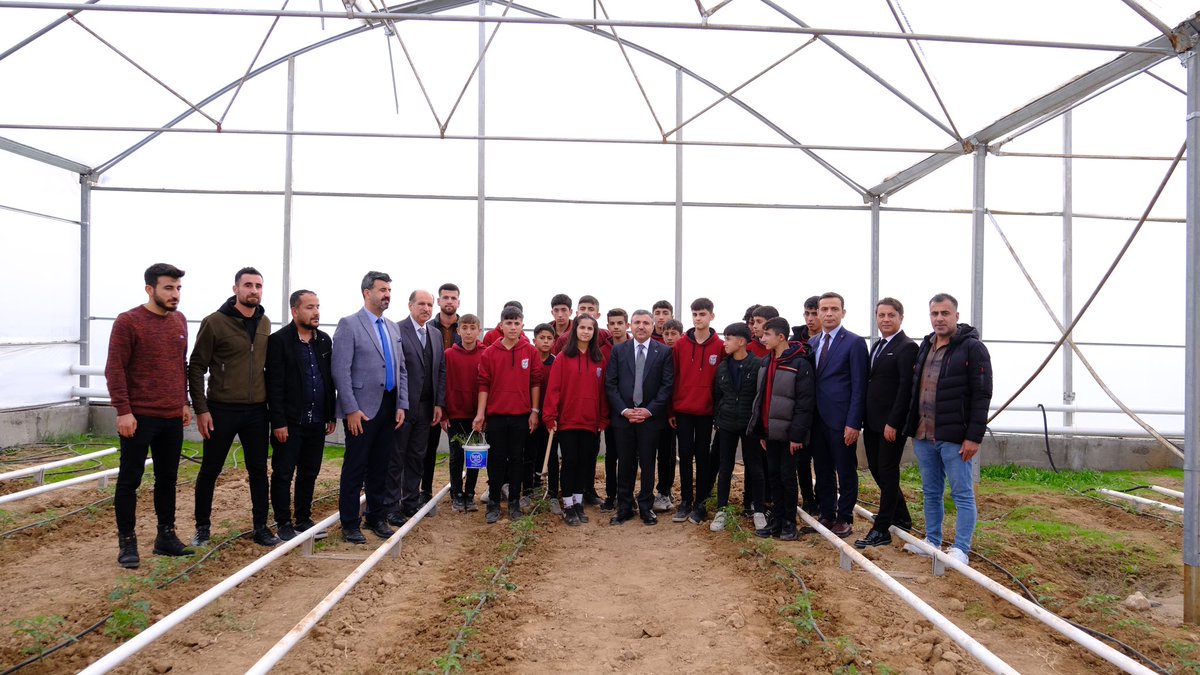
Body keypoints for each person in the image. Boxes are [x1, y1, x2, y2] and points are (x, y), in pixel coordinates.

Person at [107, 263, 194, 568]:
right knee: (130, 480)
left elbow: (179, 365)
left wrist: (183, 402)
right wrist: (123, 411)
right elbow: (115, 369)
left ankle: (165, 537)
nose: (175, 294)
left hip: (171, 416)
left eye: (178, 288)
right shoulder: (128, 322)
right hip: (139, 417)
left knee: (168, 479)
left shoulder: (179, 321)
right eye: (168, 288)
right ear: (150, 289)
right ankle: (127, 543)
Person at [188, 267, 278, 547]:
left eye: (258, 286)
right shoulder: (215, 322)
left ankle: (261, 526)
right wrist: (201, 410)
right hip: (221, 409)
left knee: (258, 470)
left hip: (256, 411)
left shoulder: (265, 323)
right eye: (248, 285)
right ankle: (202, 527)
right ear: (235, 289)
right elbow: (196, 366)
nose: (254, 290)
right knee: (210, 469)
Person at [901, 293, 993, 566]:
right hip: (924, 433)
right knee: (930, 491)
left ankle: (961, 548)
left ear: (956, 316)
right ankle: (932, 540)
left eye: (945, 313)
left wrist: (973, 437)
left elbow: (982, 394)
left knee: (961, 492)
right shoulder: (925, 345)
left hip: (954, 437)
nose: (939, 318)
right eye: (934, 314)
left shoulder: (972, 349)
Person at [331, 271, 409, 543]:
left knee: (381, 466)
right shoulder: (349, 325)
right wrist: (351, 409)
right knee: (355, 467)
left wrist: (402, 404)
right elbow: (341, 371)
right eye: (382, 290)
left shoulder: (392, 327)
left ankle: (376, 517)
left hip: (388, 407)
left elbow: (400, 369)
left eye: (389, 290)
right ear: (367, 292)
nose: (387, 294)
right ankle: (350, 523)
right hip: (362, 411)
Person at [266, 289, 336, 542]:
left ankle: (304, 519)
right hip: (291, 422)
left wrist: (330, 414)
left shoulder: (324, 341)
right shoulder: (279, 341)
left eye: (317, 306)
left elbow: (329, 380)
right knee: (284, 472)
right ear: (295, 311)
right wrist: (279, 422)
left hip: (317, 420)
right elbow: (274, 385)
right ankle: (283, 522)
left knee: (310, 471)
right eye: (309, 307)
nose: (316, 311)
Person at [855, 297, 917, 549]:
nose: (886, 320)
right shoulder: (878, 345)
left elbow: (905, 389)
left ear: (900, 318)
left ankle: (882, 528)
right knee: (879, 471)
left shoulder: (907, 347)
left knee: (888, 472)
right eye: (881, 315)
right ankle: (901, 517)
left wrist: (894, 422)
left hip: (890, 424)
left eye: (891, 315)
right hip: (872, 422)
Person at [474, 306, 544, 523]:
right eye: (509, 323)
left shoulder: (530, 351)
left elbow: (535, 382)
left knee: (517, 460)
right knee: (496, 460)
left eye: (517, 323)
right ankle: (494, 502)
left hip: (521, 416)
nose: (513, 327)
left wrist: (534, 411)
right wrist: (480, 414)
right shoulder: (490, 352)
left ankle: (514, 502)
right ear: (501, 325)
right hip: (496, 416)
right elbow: (483, 384)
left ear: (522, 325)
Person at [807, 292, 868, 539]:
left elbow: (859, 385)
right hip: (817, 418)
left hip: (842, 419)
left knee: (845, 469)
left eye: (834, 309)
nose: (828, 314)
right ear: (818, 312)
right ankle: (827, 513)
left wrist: (854, 422)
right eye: (824, 309)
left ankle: (844, 517)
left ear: (843, 312)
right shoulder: (812, 344)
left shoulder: (853, 343)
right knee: (821, 469)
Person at [748, 317, 815, 541]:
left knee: (788, 477)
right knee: (774, 476)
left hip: (789, 436)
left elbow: (804, 403)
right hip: (771, 433)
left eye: (767, 335)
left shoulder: (800, 364)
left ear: (781, 337)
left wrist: (797, 435)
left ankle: (789, 522)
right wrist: (762, 431)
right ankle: (776, 521)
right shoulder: (766, 362)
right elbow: (762, 399)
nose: (762, 338)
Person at [605, 309, 674, 525]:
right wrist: (625, 411)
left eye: (645, 322)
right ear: (630, 326)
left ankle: (646, 506)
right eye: (637, 322)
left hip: (650, 419)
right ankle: (624, 507)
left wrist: (649, 410)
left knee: (647, 463)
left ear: (653, 326)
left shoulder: (663, 352)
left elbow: (666, 386)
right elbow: (611, 384)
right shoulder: (619, 351)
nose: (641, 326)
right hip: (624, 418)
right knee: (625, 463)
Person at [543, 314, 610, 526]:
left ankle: (579, 502)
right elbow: (554, 389)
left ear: (594, 332)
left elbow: (602, 393)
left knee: (584, 463)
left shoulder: (600, 360)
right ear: (575, 330)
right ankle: (568, 505)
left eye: (590, 329)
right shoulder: (563, 357)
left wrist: (602, 418)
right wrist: (550, 416)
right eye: (582, 327)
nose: (586, 332)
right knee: (570, 462)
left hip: (590, 422)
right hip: (568, 421)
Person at [387, 290, 446, 524]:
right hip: (403, 406)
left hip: (426, 407)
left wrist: (439, 403)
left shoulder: (435, 334)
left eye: (430, 304)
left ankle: (410, 501)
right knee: (396, 457)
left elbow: (440, 370)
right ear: (410, 305)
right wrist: (398, 403)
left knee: (416, 456)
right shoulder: (396, 330)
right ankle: (391, 505)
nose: (426, 308)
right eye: (421, 304)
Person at [704, 323, 763, 532]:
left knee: (754, 467)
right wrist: (719, 420)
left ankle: (759, 510)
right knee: (725, 466)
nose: (725, 342)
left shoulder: (758, 365)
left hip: (750, 426)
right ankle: (722, 509)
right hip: (727, 424)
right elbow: (717, 395)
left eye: (728, 339)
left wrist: (758, 424)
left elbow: (760, 397)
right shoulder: (722, 366)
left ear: (741, 342)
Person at [671, 298, 724, 525]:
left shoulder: (720, 346)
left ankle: (701, 502)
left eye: (702, 314)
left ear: (711, 316)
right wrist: (670, 409)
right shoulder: (680, 345)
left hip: (706, 411)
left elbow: (722, 382)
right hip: (682, 410)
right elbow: (673, 377)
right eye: (694, 314)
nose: (698, 318)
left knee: (703, 456)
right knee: (684, 455)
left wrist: (718, 412)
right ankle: (685, 500)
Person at [443, 314, 483, 512]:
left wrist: (485, 414)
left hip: (477, 416)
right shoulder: (449, 354)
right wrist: (443, 413)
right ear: (458, 331)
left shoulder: (486, 353)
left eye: (472, 328)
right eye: (464, 328)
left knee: (474, 456)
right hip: (455, 414)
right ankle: (456, 494)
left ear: (479, 330)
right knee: (456, 456)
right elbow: (442, 383)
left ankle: (470, 493)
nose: (468, 332)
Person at [525, 323, 558, 511]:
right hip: (530, 416)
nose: (545, 341)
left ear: (554, 341)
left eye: (549, 338)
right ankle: (529, 491)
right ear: (534, 340)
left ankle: (553, 493)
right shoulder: (528, 360)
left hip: (550, 419)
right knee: (529, 454)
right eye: (542, 338)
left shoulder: (557, 362)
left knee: (551, 456)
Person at [653, 318, 684, 512]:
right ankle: (654, 491)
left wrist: (673, 410)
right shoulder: (658, 353)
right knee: (649, 455)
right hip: (655, 410)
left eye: (674, 334)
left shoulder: (682, 353)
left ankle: (665, 490)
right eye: (667, 334)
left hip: (673, 413)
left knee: (668, 454)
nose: (670, 338)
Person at [796, 295, 823, 514]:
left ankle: (824, 499)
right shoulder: (796, 341)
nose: (811, 318)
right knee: (802, 459)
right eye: (808, 313)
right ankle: (808, 498)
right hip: (801, 409)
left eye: (815, 313)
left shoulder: (833, 342)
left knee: (823, 459)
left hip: (823, 410)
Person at [601, 308, 630, 511]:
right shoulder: (602, 349)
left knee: (630, 456)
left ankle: (627, 495)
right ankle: (611, 495)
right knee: (611, 455)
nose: (616, 327)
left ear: (627, 325)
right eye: (612, 323)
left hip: (631, 410)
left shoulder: (634, 346)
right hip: (610, 409)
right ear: (608, 326)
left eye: (620, 323)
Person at [433, 283, 462, 348]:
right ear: (438, 301)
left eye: (453, 298)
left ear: (458, 303)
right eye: (445, 298)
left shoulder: (466, 329)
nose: (449, 301)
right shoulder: (427, 328)